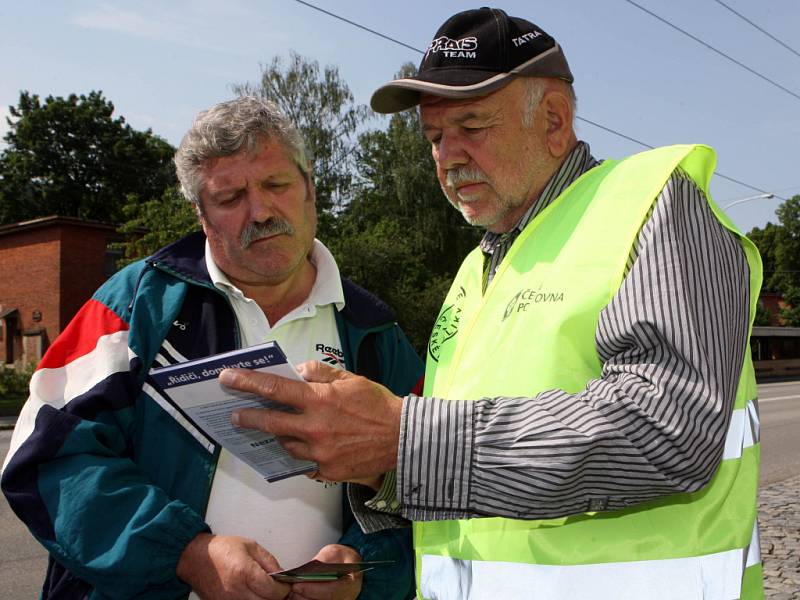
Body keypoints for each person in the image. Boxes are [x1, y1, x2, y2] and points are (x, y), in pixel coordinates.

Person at [220, 7, 764, 600]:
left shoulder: (654, 207)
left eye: (472, 127)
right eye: (433, 137)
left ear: (554, 120)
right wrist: (378, 465)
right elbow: (472, 473)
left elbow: (667, 430)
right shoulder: (475, 271)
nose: (447, 156)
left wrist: (403, 438)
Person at [1, 96, 423, 600]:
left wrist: (363, 565)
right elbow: (46, 458)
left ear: (310, 189)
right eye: (230, 198)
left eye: (276, 185)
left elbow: (420, 481)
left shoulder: (373, 330)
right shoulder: (134, 307)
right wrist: (187, 554)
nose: (261, 211)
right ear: (202, 215)